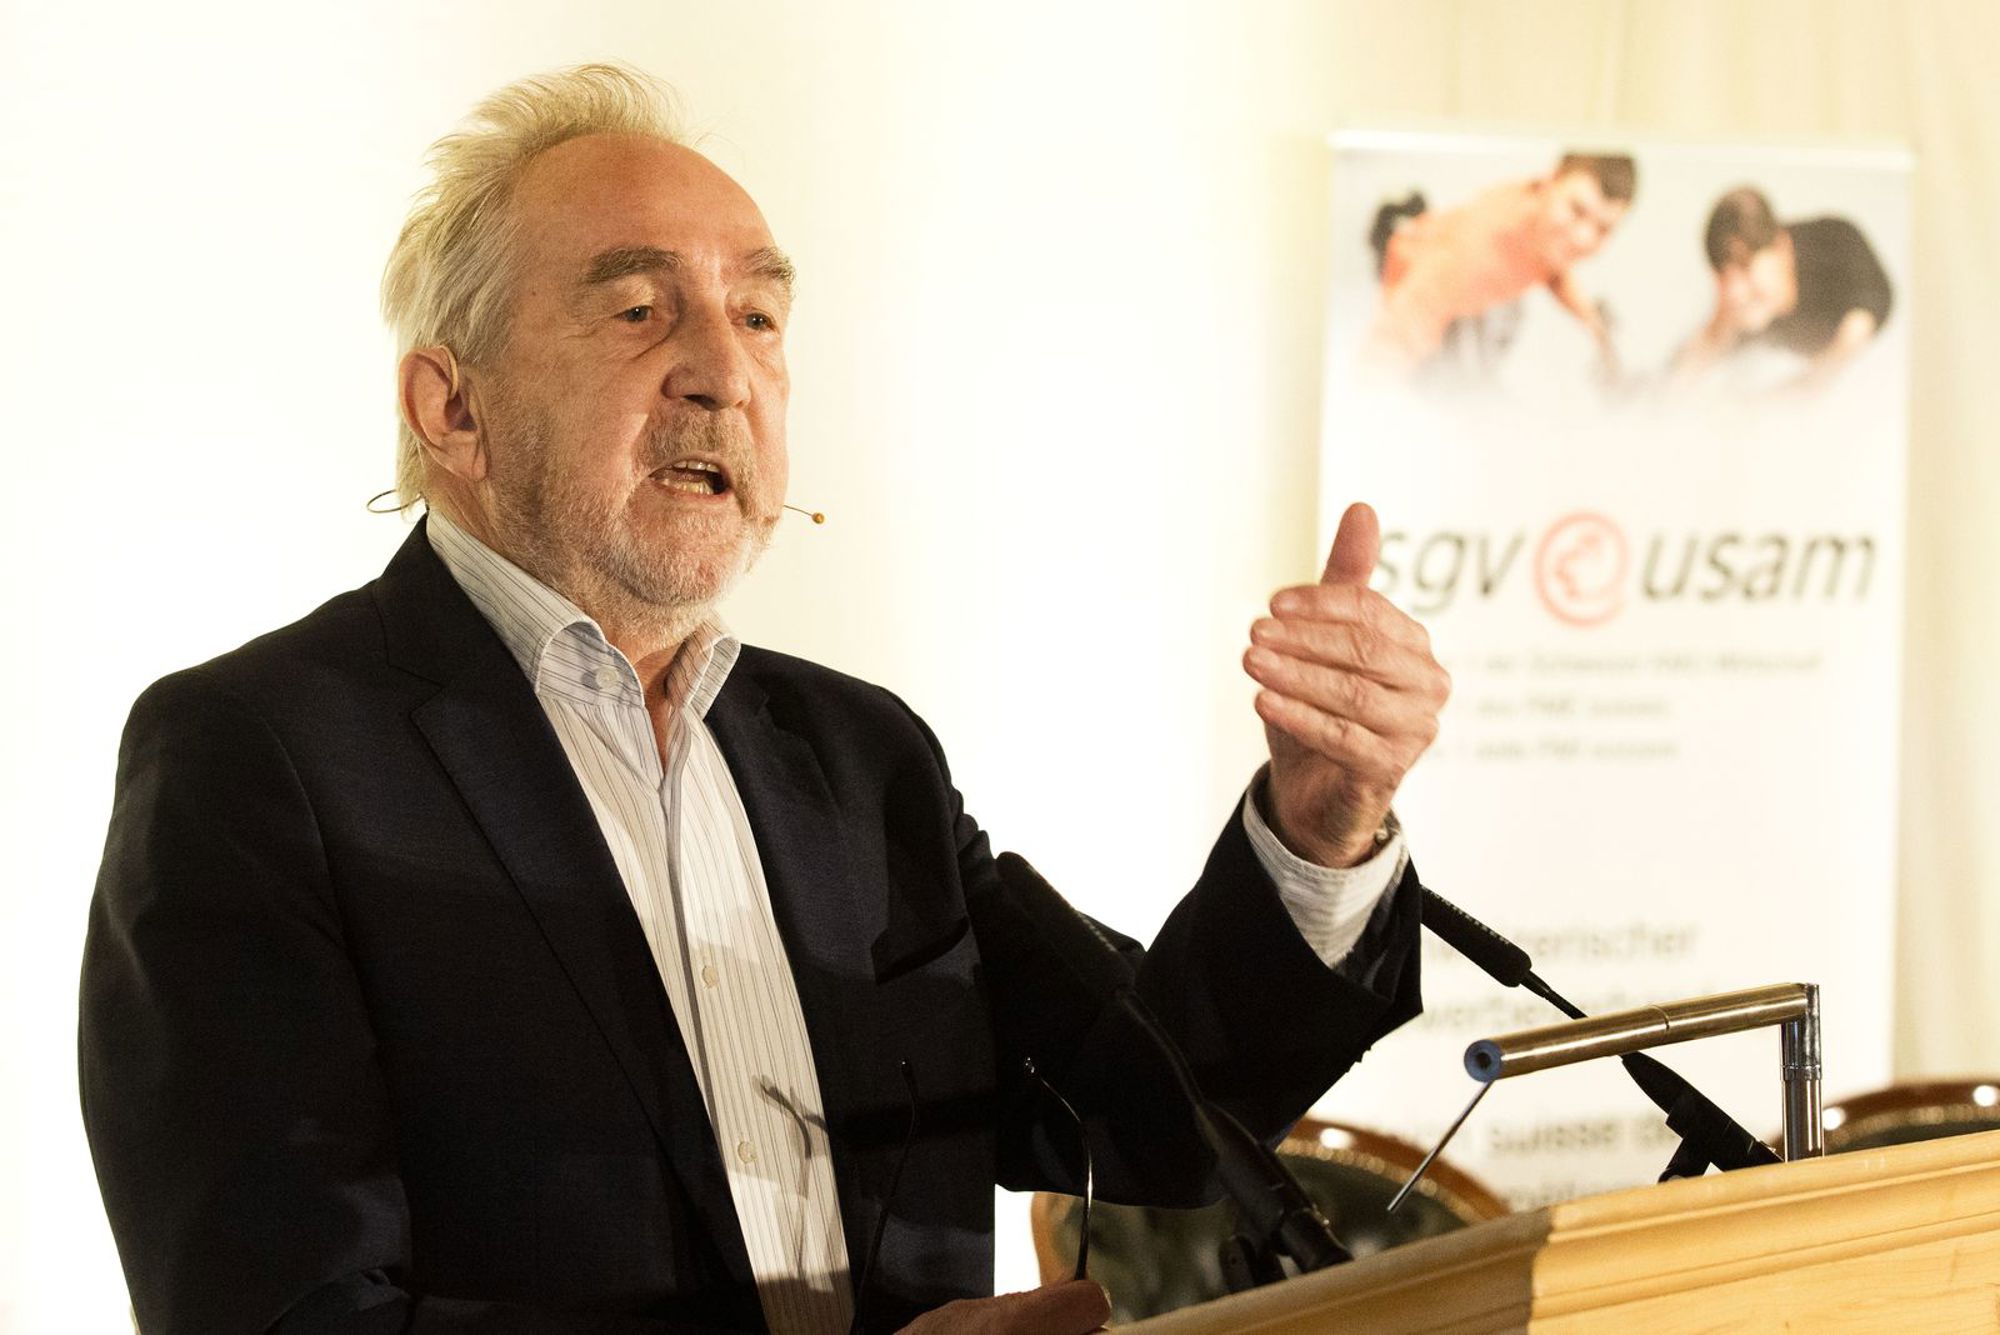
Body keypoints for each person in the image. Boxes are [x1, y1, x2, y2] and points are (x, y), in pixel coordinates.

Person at [79, 66, 1450, 1335]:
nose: (724, 373)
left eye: (757, 316)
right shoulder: (260, 758)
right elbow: (281, 1313)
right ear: (452, 409)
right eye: (637, 309)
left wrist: (1320, 823)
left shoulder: (859, 758)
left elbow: (1157, 1106)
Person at [1364, 152, 1637, 381]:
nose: (1582, 238)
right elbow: (1389, 346)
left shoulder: (1548, 233)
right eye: (1577, 209)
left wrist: (1590, 319)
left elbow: (1554, 269)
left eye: (1603, 228)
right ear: (1551, 181)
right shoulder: (1476, 254)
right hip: (1413, 271)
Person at [1672, 186, 1893, 391]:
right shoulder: (1748, 304)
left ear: (1780, 245)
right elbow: (1693, 361)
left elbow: (1851, 342)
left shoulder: (1840, 247)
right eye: (1724, 276)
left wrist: (1782, 399)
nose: (1735, 292)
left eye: (1745, 268)